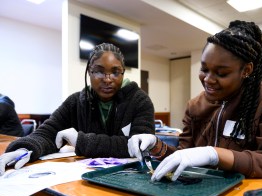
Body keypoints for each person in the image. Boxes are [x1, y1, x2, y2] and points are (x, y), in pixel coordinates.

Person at [128, 20, 262, 182]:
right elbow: (183, 155)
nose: (208, 79)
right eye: (204, 69)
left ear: (246, 70)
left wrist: (215, 155)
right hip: (203, 194)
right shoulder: (195, 105)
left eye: (221, 73)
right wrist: (156, 145)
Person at [0, 42, 155, 175]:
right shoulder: (76, 102)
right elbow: (48, 132)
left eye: (115, 72)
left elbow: (140, 148)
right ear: (89, 72)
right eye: (99, 71)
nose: (108, 79)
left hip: (128, 179)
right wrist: (24, 149)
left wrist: (82, 141)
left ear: (123, 73)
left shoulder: (140, 101)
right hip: (83, 180)